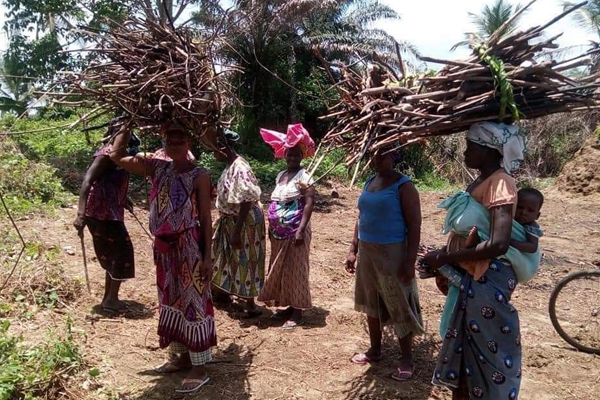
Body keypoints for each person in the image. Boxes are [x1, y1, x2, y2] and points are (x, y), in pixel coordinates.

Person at [423, 122, 539, 400]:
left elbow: (498, 243)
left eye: (471, 146)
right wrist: (442, 258)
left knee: (480, 359)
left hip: (488, 280)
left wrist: (445, 257)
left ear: (489, 150)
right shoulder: (480, 181)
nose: (465, 152)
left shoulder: (501, 183)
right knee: (465, 357)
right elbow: (476, 233)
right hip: (473, 276)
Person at [110, 123, 215, 394]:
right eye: (171, 139)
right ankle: (180, 357)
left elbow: (205, 217)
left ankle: (199, 367)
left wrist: (208, 257)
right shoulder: (157, 167)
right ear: (163, 141)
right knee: (171, 299)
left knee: (193, 300)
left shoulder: (199, 175)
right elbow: (116, 156)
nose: (175, 144)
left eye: (181, 139)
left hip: (190, 246)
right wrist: (128, 122)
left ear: (189, 144)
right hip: (164, 248)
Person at [345, 147, 424, 382]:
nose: (377, 161)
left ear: (394, 157)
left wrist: (409, 262)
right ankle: (375, 350)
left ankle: (407, 359)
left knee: (398, 302)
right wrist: (353, 249)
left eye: (383, 156)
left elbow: (415, 225)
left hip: (393, 253)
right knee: (371, 301)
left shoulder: (404, 186)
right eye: (373, 156)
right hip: (368, 253)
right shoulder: (370, 181)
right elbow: (361, 218)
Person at [73, 121, 138, 313]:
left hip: (110, 211)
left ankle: (109, 298)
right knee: (122, 252)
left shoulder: (121, 155)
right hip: (101, 213)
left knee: (114, 254)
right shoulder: (106, 154)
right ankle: (111, 299)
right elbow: (88, 180)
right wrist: (80, 214)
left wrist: (124, 198)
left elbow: (111, 181)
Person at [258, 124, 316, 329]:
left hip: (295, 231)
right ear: (285, 156)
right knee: (281, 267)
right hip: (278, 232)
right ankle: (287, 306)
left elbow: (309, 202)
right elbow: (277, 202)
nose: (292, 158)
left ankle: (298, 311)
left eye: (296, 155)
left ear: (301, 157)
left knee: (296, 268)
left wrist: (300, 230)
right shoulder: (281, 175)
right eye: (289, 155)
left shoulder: (304, 177)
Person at [211, 129, 266, 318]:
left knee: (246, 258)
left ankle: (249, 304)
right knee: (227, 256)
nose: (213, 154)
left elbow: (245, 200)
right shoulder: (230, 165)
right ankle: (224, 292)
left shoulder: (240, 167)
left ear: (224, 147)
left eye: (214, 149)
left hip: (244, 221)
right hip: (230, 220)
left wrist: (237, 230)